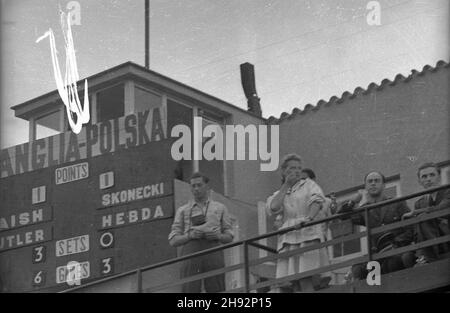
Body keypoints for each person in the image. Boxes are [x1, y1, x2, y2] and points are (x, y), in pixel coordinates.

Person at [266, 154, 329, 292]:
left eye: (299, 168)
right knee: (292, 281)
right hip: (288, 236)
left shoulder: (309, 184)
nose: (296, 171)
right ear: (283, 171)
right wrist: (286, 185)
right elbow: (274, 207)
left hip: (307, 232)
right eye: (292, 168)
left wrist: (309, 218)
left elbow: (317, 200)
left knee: (305, 276)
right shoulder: (279, 192)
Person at [339, 171, 416, 280]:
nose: (373, 183)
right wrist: (352, 201)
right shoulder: (364, 209)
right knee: (357, 268)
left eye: (377, 181)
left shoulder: (397, 203)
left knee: (393, 263)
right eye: (370, 181)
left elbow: (411, 227)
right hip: (378, 254)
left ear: (384, 185)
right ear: (365, 186)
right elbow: (341, 216)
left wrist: (396, 243)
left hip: (398, 249)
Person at [168, 172, 234, 293]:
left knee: (216, 286)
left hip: (213, 248)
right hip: (191, 250)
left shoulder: (220, 208)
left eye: (199, 185)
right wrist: (189, 236)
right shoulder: (183, 210)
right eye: (193, 186)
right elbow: (173, 240)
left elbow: (229, 235)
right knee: (189, 287)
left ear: (207, 186)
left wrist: (218, 236)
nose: (196, 189)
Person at [402, 163, 450, 264]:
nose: (428, 179)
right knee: (406, 257)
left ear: (439, 177)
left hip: (447, 237)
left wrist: (415, 212)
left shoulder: (448, 192)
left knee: (423, 217)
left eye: (432, 175)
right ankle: (424, 256)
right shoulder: (419, 203)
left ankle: (425, 257)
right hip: (430, 242)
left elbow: (441, 208)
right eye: (424, 176)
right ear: (420, 181)